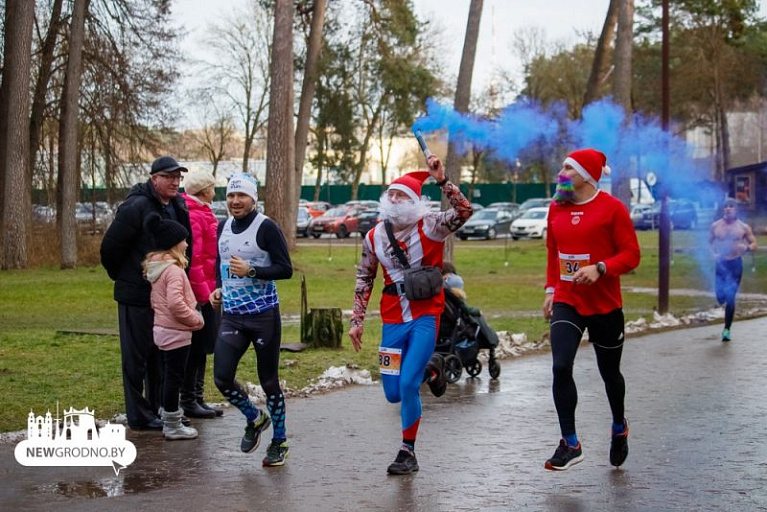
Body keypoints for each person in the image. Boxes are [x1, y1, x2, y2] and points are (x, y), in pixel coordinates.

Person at [349, 155, 473, 475]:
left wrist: (443, 180)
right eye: (391, 194)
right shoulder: (373, 237)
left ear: (415, 202)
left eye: (401, 195)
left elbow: (464, 211)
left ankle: (408, 452)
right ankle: (433, 371)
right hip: (392, 320)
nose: (394, 199)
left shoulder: (431, 225)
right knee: (392, 393)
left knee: (406, 386)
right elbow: (364, 279)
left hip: (424, 317)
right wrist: (357, 321)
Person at [541, 148, 640, 471]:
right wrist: (551, 290)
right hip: (568, 302)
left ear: (587, 175)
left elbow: (632, 255)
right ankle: (570, 442)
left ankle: (618, 426)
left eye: (568, 167)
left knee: (610, 373)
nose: (562, 172)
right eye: (562, 166)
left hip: (605, 305)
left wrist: (601, 268)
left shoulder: (613, 209)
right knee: (560, 367)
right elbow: (554, 253)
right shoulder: (556, 208)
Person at [100, 156, 192, 430]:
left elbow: (185, 243)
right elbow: (110, 249)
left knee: (160, 354)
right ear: (154, 179)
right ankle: (139, 415)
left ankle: (159, 409)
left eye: (178, 177)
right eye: (169, 177)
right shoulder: (136, 206)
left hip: (164, 296)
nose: (175, 182)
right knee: (136, 357)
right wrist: (129, 277)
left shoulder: (177, 204)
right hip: (136, 295)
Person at [209, 173, 294, 467]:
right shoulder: (222, 227)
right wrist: (219, 288)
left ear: (253, 198)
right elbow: (222, 266)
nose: (235, 201)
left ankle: (280, 440)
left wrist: (252, 272)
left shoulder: (266, 228)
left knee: (269, 382)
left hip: (263, 316)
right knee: (221, 377)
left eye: (241, 196)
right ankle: (254, 417)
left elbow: (285, 269)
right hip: (232, 316)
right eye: (231, 196)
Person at [143, 214, 204, 440]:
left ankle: (164, 412)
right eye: (184, 240)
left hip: (161, 329)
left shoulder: (157, 268)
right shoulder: (174, 271)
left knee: (167, 376)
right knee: (174, 378)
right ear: (174, 244)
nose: (187, 244)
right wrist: (196, 319)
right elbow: (175, 303)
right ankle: (172, 424)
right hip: (176, 332)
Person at [179, 170, 223, 418]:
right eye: (212, 188)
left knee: (205, 344)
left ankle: (197, 396)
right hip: (199, 291)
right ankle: (189, 399)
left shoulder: (203, 212)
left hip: (207, 289)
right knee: (196, 346)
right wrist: (203, 295)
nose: (215, 193)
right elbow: (194, 260)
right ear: (204, 190)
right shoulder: (195, 215)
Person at [708, 198, 757, 342]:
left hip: (735, 263)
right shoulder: (716, 226)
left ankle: (726, 329)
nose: (728, 209)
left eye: (731, 207)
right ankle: (721, 300)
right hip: (721, 263)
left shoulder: (743, 227)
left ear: (736, 209)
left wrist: (747, 248)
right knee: (720, 296)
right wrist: (713, 254)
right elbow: (708, 243)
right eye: (726, 207)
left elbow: (754, 243)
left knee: (730, 297)